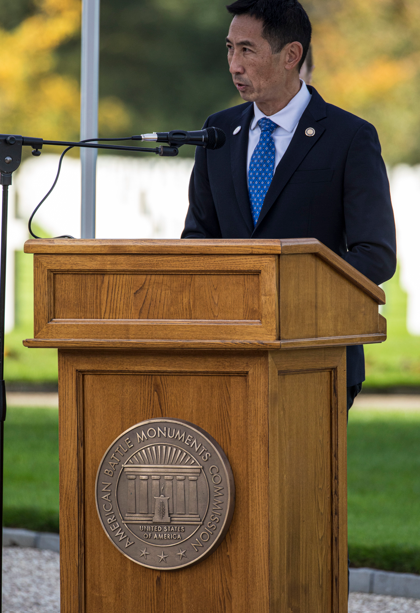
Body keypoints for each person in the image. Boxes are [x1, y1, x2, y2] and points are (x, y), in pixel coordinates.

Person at [182, 0, 396, 409]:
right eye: (229, 48)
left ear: (291, 56)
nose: (234, 65)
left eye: (247, 49)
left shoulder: (350, 137)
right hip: (230, 351)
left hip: (317, 357)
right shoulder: (218, 131)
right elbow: (198, 236)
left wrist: (284, 287)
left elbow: (376, 255)